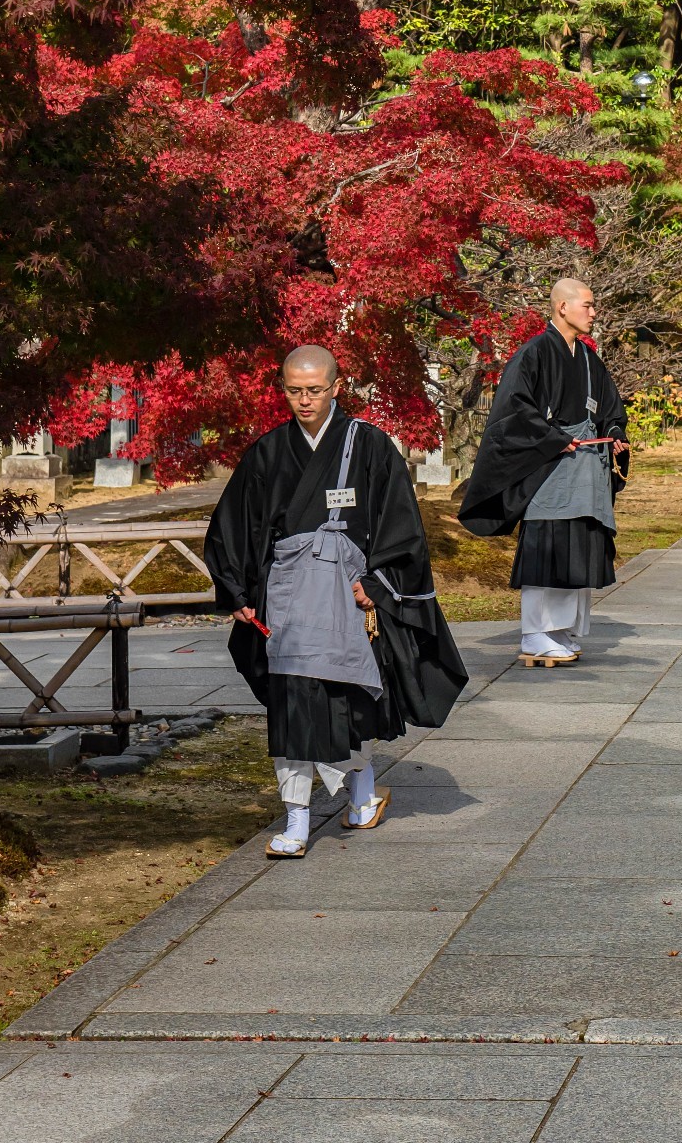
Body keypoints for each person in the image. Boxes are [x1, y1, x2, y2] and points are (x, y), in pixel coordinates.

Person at [204, 345, 467, 858]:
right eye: (294, 390)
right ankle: (298, 818)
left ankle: (363, 796)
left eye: (315, 390)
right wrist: (236, 590)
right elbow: (233, 524)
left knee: (349, 696)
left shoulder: (368, 445)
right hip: (285, 600)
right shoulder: (268, 452)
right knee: (291, 704)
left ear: (336, 387)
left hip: (348, 598)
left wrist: (378, 580)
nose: (304, 401)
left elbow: (401, 524)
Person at [459, 278, 628, 667]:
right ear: (562, 307)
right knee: (547, 546)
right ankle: (535, 633)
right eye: (587, 304)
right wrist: (552, 438)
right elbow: (515, 410)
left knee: (579, 543)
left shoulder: (588, 358)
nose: (593, 312)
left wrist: (614, 433)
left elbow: (609, 409)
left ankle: (561, 629)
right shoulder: (532, 353)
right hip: (549, 467)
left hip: (586, 467)